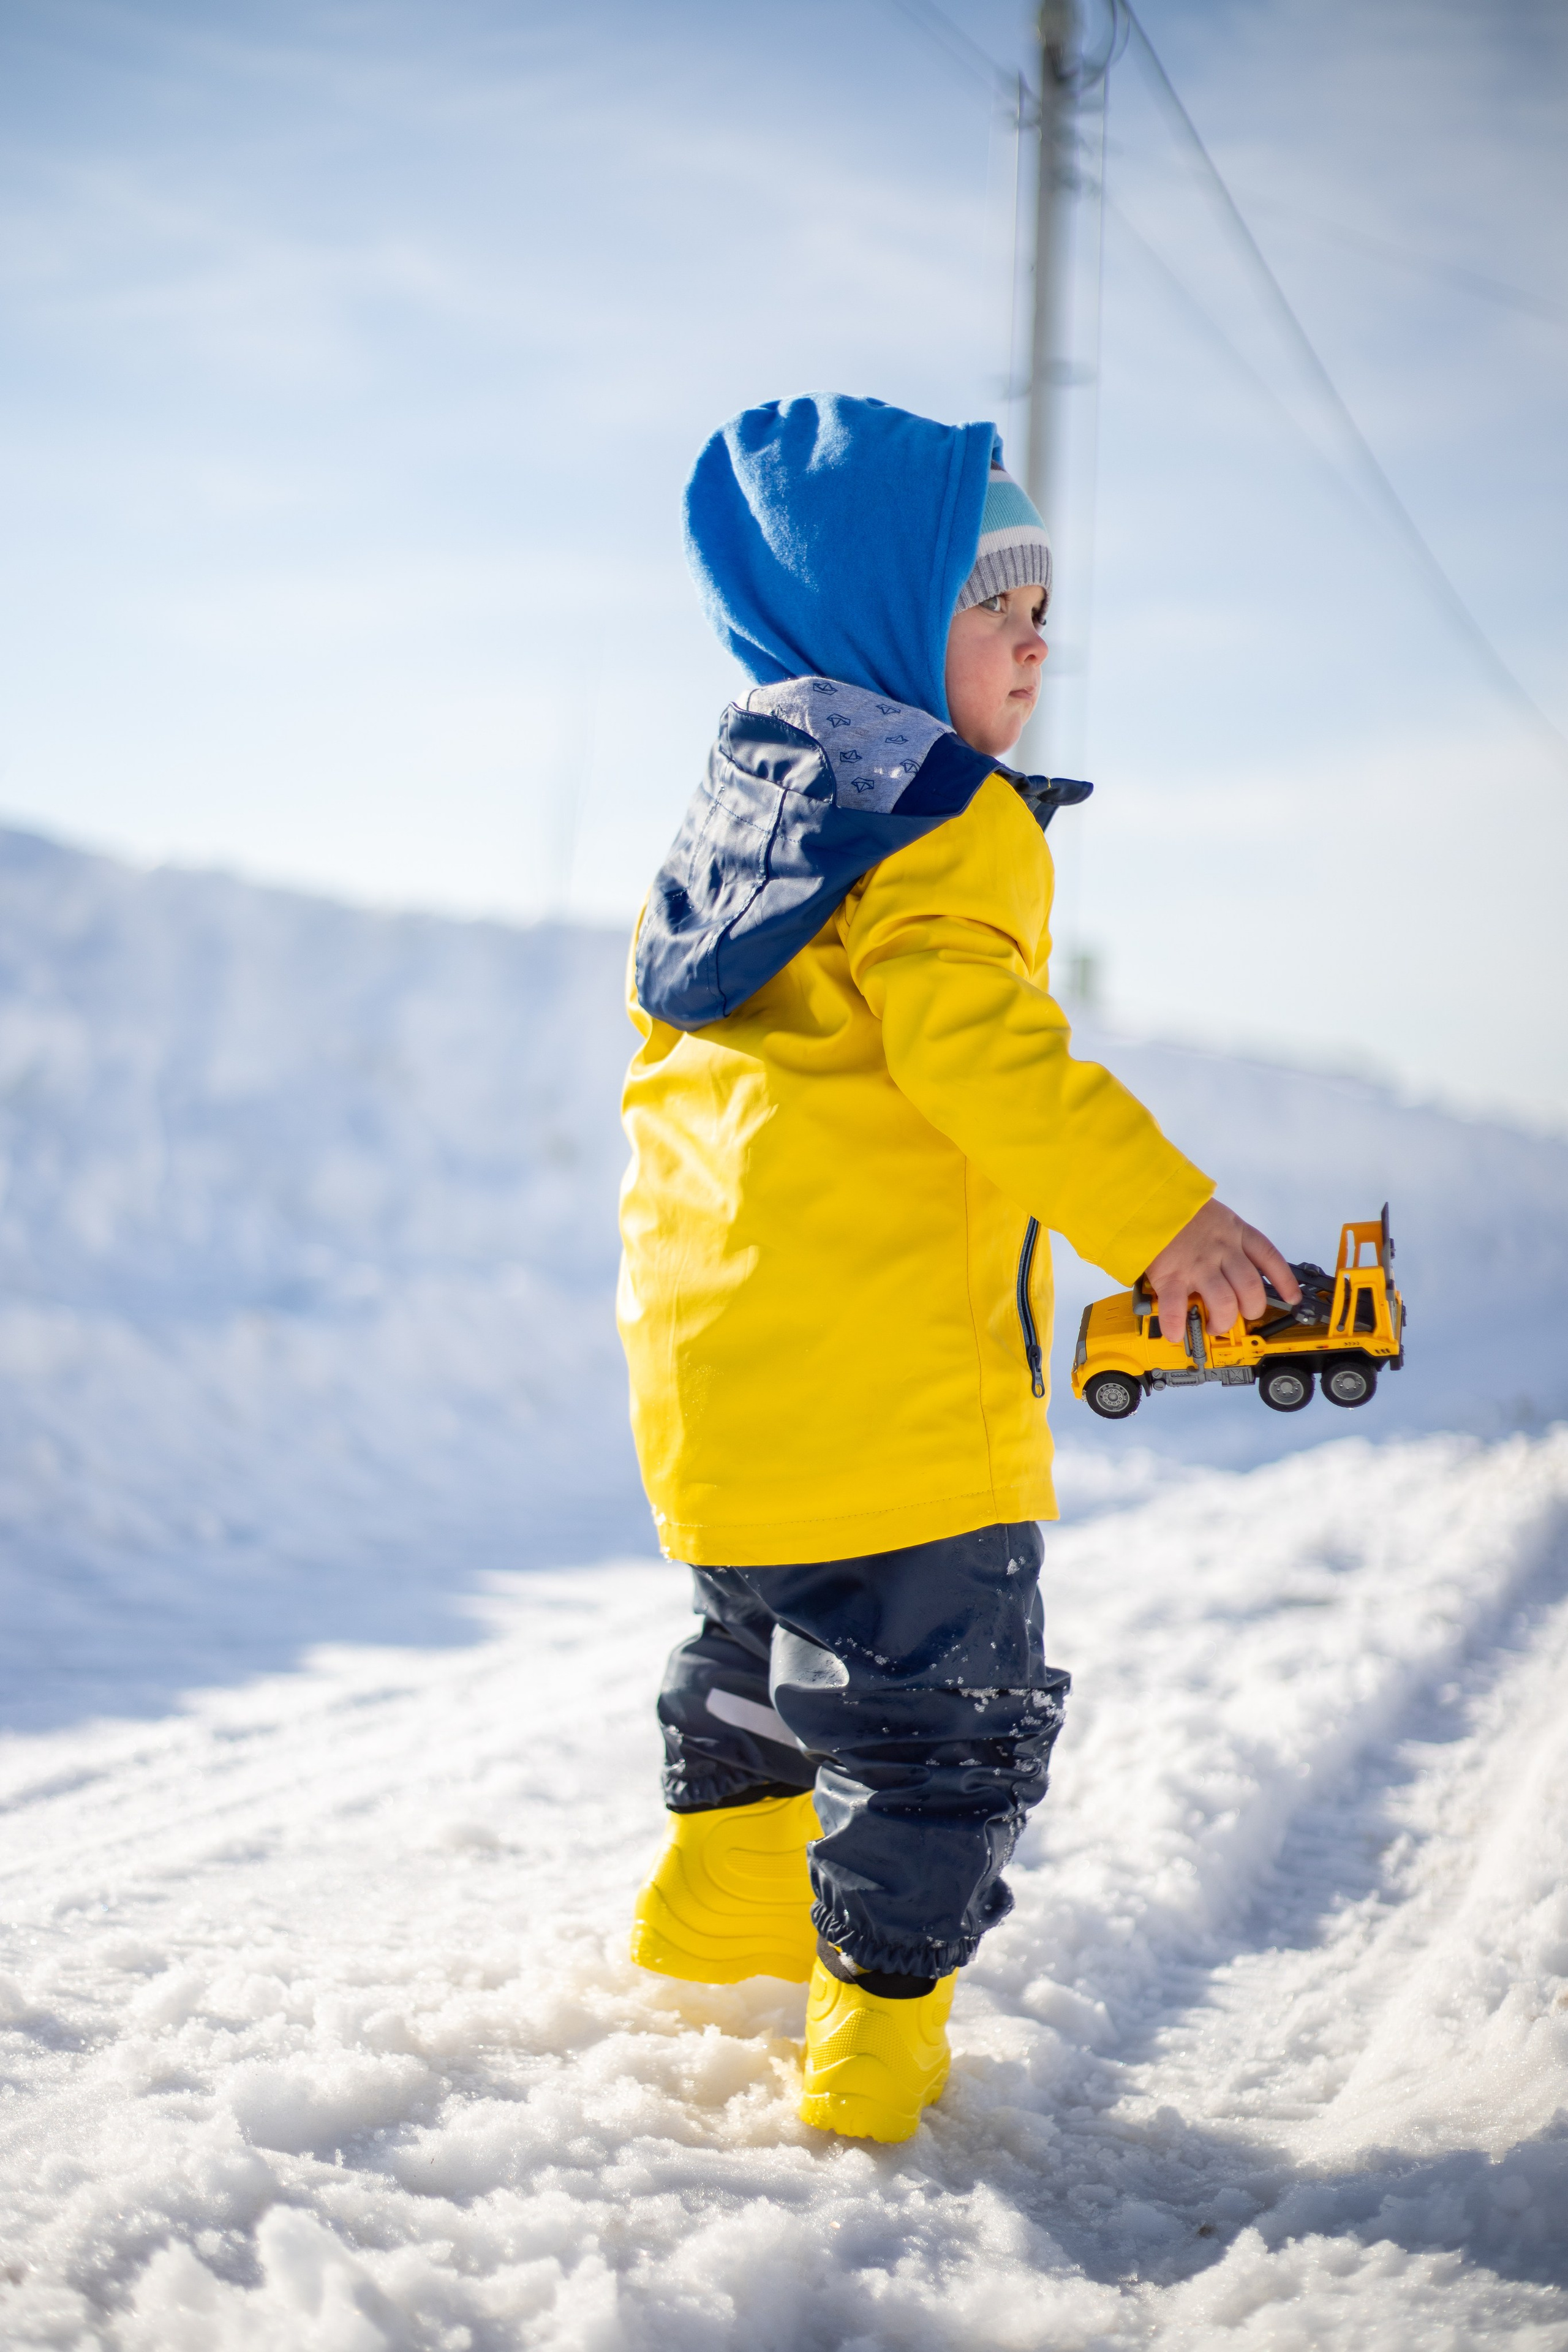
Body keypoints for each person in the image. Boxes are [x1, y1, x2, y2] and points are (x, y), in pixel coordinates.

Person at [616, 394, 1299, 2143]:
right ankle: (875, 2044)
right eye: (995, 606)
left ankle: (713, 1910)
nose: (1037, 642)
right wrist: (1161, 1218)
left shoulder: (737, 826)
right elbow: (979, 1054)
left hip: (716, 1390)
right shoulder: (944, 818)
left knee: (756, 1652)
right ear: (883, 625)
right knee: (936, 1720)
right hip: (897, 1396)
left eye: (1043, 606)